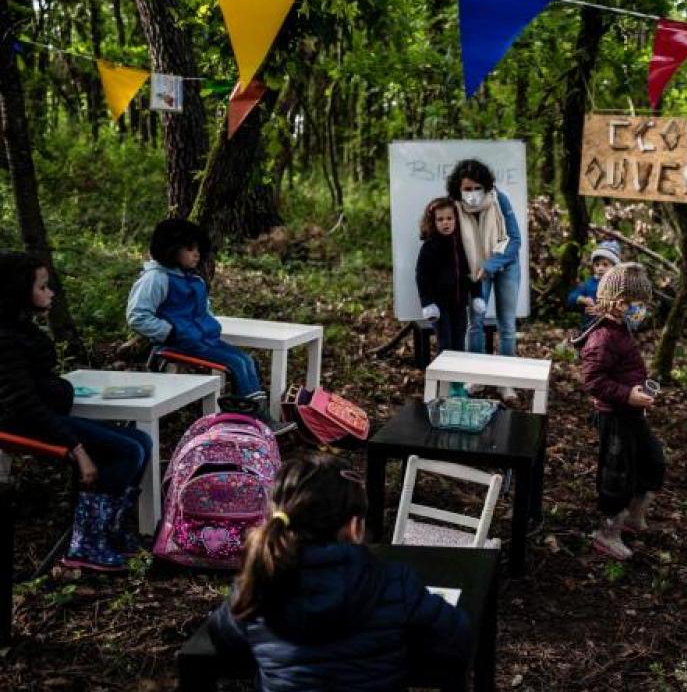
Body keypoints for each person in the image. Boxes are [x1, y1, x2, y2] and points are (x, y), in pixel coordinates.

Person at [209, 453, 472, 691]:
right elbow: (456, 637)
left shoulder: (257, 586)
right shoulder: (394, 583)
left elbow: (223, 639)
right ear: (355, 527)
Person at [0, 252, 151, 570]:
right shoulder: (6, 338)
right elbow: (23, 406)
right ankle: (87, 542)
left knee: (142, 441)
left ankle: (113, 529)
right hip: (26, 424)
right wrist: (77, 448)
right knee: (127, 451)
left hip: (46, 417)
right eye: (43, 287)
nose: (50, 292)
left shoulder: (21, 327)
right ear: (17, 291)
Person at [573, 263, 665, 561]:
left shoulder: (620, 328)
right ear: (616, 302)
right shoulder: (602, 338)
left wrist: (638, 393)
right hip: (614, 417)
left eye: (641, 304)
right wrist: (627, 395)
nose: (639, 310)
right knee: (617, 473)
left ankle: (633, 517)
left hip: (632, 414)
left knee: (652, 460)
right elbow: (594, 380)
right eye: (633, 304)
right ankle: (608, 531)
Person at [127, 219, 266, 406]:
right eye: (190, 250)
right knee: (238, 364)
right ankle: (253, 417)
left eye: (198, 249)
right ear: (173, 249)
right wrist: (171, 332)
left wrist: (205, 327)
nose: (197, 254)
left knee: (246, 360)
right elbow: (137, 316)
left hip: (204, 341)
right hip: (178, 344)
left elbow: (202, 311)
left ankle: (254, 413)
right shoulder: (156, 278)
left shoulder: (192, 279)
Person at [446, 159, 522, 405]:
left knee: (507, 325)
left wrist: (491, 265)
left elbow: (514, 239)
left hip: (505, 265)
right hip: (474, 272)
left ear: (486, 186)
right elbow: (452, 244)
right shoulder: (454, 208)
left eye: (476, 187)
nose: (472, 194)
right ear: (458, 189)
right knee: (475, 323)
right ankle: (476, 377)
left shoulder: (500, 201)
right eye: (466, 189)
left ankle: (505, 381)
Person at [416, 197, 480, 355]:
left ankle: (457, 380)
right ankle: (443, 380)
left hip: (459, 304)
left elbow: (472, 271)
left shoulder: (463, 244)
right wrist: (427, 302)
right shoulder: (430, 246)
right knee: (445, 343)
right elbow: (421, 276)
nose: (446, 223)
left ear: (457, 220)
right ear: (433, 222)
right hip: (439, 306)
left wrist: (477, 295)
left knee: (459, 343)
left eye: (449, 218)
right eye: (440, 219)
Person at [565, 239, 621, 330]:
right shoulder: (590, 283)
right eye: (597, 265)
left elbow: (627, 308)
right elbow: (571, 297)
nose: (600, 268)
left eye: (605, 265)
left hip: (611, 329)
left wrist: (605, 312)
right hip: (589, 329)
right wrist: (583, 299)